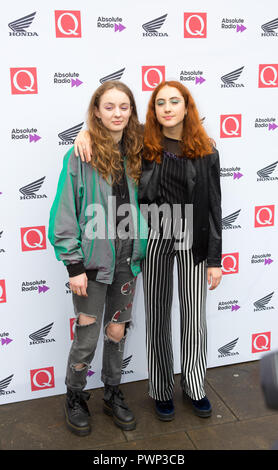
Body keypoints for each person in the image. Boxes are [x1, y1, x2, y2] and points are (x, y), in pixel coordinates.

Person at [74, 80, 222, 422]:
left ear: (187, 106)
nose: (167, 108)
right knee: (156, 315)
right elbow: (109, 125)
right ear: (153, 110)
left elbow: (214, 207)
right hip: (153, 235)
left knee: (194, 317)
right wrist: (83, 132)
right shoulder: (143, 142)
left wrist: (215, 259)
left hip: (192, 239)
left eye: (174, 101)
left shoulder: (207, 151)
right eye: (160, 103)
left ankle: (194, 385)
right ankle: (160, 389)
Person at [48, 80, 147, 436]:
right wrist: (73, 264)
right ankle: (75, 396)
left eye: (124, 107)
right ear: (97, 111)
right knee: (87, 336)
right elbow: (65, 212)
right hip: (91, 265)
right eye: (109, 107)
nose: (117, 113)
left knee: (117, 331)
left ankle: (111, 391)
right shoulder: (81, 154)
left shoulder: (138, 150)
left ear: (131, 112)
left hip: (128, 262)